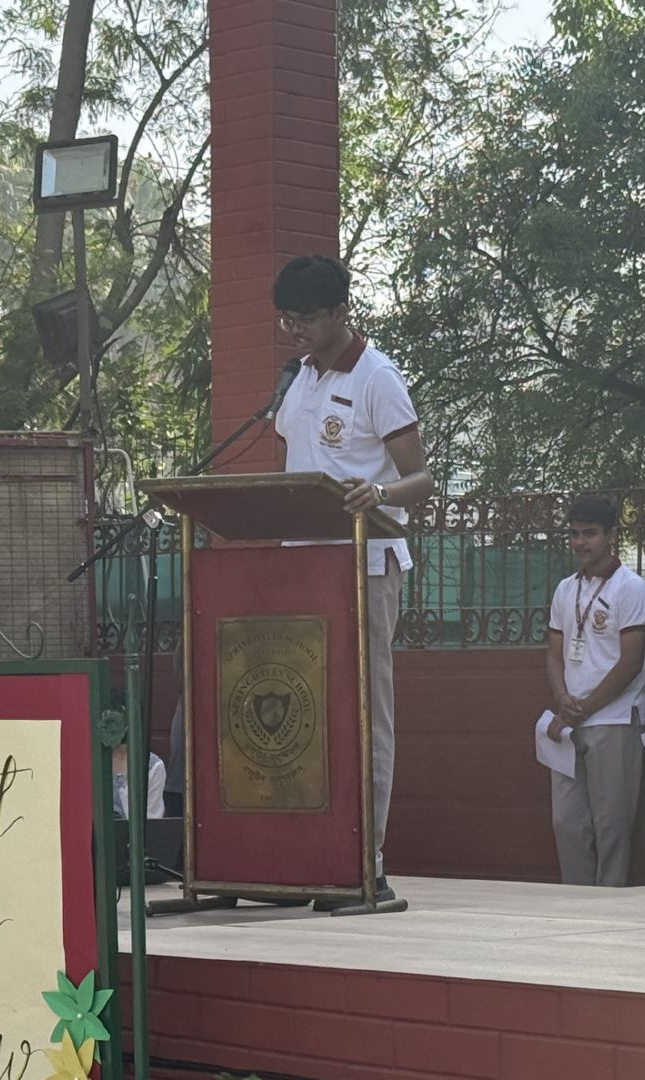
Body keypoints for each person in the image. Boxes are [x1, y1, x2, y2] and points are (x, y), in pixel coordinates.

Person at [272, 254, 435, 905]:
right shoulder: (298, 379)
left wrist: (380, 492)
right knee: (307, 715)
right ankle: (307, 856)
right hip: (302, 568)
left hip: (365, 564)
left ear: (341, 311)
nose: (296, 330)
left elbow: (421, 479)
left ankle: (365, 863)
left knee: (364, 716)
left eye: (307, 318)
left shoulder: (377, 377)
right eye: (287, 319)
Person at [544, 494, 645, 887]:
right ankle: (576, 901)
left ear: (611, 535)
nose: (580, 542)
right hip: (570, 720)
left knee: (612, 824)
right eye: (574, 534)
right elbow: (554, 654)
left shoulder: (630, 587)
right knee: (566, 822)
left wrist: (584, 707)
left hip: (615, 717)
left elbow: (631, 662)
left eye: (589, 533)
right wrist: (563, 700)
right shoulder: (565, 589)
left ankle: (607, 906)